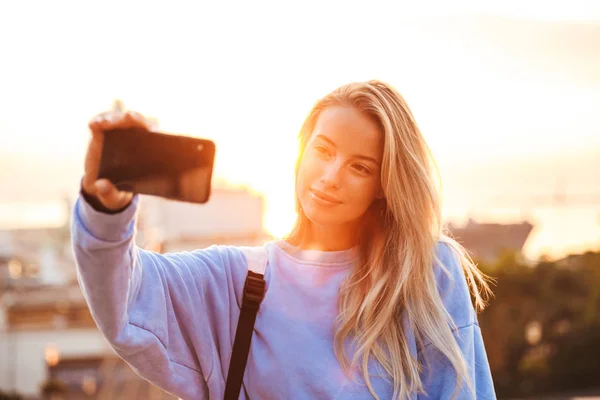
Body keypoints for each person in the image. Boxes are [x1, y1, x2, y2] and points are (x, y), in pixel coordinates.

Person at [72, 80, 496, 399]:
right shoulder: (236, 280)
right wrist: (104, 205)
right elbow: (127, 299)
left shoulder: (426, 271)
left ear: (384, 185)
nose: (331, 178)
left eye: (360, 167)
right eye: (324, 151)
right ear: (301, 149)